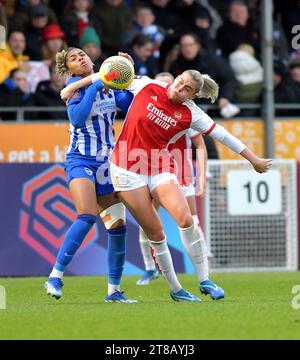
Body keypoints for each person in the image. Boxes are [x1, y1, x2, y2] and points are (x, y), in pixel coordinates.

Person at [61, 66, 272, 302]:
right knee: (157, 233)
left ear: (192, 96)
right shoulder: (147, 85)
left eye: (186, 89)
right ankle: (176, 289)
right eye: (180, 82)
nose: (179, 88)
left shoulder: (191, 113)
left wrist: (254, 160)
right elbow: (109, 74)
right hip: (125, 169)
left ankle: (205, 280)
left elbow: (222, 135)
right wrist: (72, 86)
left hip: (159, 167)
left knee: (186, 219)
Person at [44, 47, 137, 303]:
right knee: (86, 215)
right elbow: (76, 118)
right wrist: (97, 84)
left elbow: (129, 107)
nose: (80, 58)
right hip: (80, 160)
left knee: (117, 227)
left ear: (92, 59)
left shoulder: (109, 84)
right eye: (73, 58)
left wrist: (126, 77)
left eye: (82, 54)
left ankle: (113, 292)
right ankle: (55, 276)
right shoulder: (75, 86)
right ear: (69, 69)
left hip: (107, 164)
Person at [136, 71, 212, 288]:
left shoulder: (186, 115)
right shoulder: (152, 107)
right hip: (155, 169)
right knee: (147, 221)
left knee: (191, 219)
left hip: (182, 172)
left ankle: (203, 267)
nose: (171, 89)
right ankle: (150, 268)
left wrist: (201, 177)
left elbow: (200, 146)